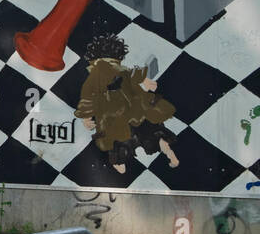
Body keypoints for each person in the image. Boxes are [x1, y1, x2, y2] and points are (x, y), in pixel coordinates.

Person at [74, 34, 180, 174]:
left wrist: (86, 118)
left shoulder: (95, 75)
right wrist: (145, 81)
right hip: (136, 110)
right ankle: (167, 150)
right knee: (150, 131)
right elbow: (134, 75)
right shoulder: (121, 69)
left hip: (114, 117)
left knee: (118, 142)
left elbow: (87, 97)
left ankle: (120, 164)